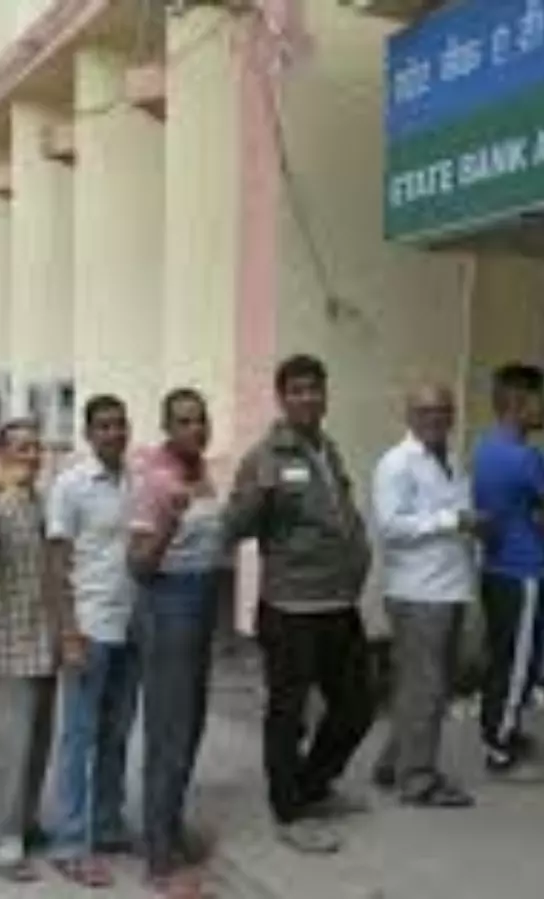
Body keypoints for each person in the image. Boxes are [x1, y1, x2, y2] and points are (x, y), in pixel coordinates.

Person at [223, 354, 375, 854]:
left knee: (357, 705)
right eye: (297, 390)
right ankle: (288, 812)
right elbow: (235, 526)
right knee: (288, 714)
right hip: (291, 607)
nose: (308, 398)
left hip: (338, 601)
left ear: (325, 395)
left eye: (315, 389)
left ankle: (312, 785)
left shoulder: (326, 449)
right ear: (282, 398)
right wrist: (260, 495)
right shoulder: (265, 457)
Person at [130, 388, 227, 899]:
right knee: (168, 730)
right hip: (169, 604)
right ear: (167, 428)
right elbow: (138, 565)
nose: (195, 429)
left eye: (200, 419)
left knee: (190, 726)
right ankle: (158, 858)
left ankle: (170, 826)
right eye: (184, 421)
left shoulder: (202, 472)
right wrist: (168, 522)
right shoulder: (157, 479)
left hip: (204, 602)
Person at [370, 384, 480, 807]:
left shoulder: (452, 458)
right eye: (426, 410)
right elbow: (391, 526)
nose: (436, 418)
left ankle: (393, 762)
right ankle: (418, 780)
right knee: (426, 688)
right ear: (410, 415)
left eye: (444, 410)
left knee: (428, 685)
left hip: (450, 587)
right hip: (417, 592)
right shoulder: (396, 464)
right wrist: (452, 520)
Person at [46, 395, 137, 887]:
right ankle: (68, 842)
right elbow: (56, 563)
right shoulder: (71, 485)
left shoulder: (136, 480)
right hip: (88, 626)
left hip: (131, 626)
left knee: (116, 734)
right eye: (103, 426)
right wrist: (68, 631)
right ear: (88, 433)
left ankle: (106, 825)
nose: (113, 433)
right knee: (78, 737)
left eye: (120, 424)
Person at [471, 363, 544, 778]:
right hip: (524, 572)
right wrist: (542, 514)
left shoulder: (483, 449)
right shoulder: (527, 458)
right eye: (538, 399)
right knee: (518, 666)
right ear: (517, 402)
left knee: (502, 658)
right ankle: (500, 751)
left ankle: (502, 731)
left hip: (495, 569)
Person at [0, 418, 58, 882]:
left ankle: (23, 822)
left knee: (36, 744)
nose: (32, 456)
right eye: (22, 448)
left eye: (36, 447)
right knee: (4, 752)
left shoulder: (38, 501)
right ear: (1, 455)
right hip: (6, 645)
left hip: (42, 640)